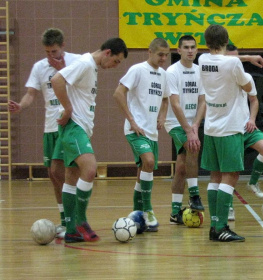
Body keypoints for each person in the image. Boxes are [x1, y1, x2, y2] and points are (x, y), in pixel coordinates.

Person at [51, 38, 128, 243]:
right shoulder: (85, 64)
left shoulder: (91, 67)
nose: (115, 66)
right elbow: (57, 80)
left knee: (72, 177)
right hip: (74, 126)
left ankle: (70, 230)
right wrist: (67, 109)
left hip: (81, 128)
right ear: (107, 52)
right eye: (116, 61)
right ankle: (80, 220)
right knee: (90, 169)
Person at [9, 28, 80, 238]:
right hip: (51, 127)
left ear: (63, 47)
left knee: (67, 174)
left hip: (71, 124)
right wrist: (21, 106)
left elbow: (82, 85)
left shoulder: (76, 62)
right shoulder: (39, 67)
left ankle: (74, 219)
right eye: (47, 52)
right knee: (53, 175)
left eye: (54, 51)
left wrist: (64, 68)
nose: (51, 56)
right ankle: (64, 220)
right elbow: (31, 94)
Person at [199, 25, 254, 242]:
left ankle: (214, 225)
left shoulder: (202, 60)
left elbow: (222, 61)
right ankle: (222, 226)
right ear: (227, 40)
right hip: (230, 126)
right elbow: (249, 87)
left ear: (206, 42)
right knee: (231, 176)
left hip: (211, 126)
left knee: (215, 176)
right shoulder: (233, 63)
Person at [113, 38, 169, 232]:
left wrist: (162, 117)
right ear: (150, 52)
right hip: (136, 130)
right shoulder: (137, 70)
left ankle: (137, 212)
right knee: (149, 161)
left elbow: (165, 99)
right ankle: (147, 210)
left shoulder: (163, 75)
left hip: (152, 132)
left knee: (144, 171)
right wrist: (132, 120)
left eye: (166, 55)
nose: (163, 58)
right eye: (160, 54)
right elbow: (118, 94)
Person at [225, 44, 263, 222]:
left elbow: (254, 101)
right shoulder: (220, 78)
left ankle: (253, 181)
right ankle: (228, 205)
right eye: (231, 59)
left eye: (237, 59)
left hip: (246, 127)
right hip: (229, 129)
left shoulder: (247, 78)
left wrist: (252, 119)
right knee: (231, 171)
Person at [164, 35, 206, 225]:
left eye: (193, 47)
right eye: (186, 47)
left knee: (181, 167)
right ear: (178, 50)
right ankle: (194, 196)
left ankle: (174, 213)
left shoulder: (200, 71)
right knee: (193, 147)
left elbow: (203, 101)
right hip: (175, 122)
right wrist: (189, 130)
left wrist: (196, 125)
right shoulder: (172, 71)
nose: (190, 50)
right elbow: (175, 104)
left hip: (193, 123)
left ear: (197, 50)